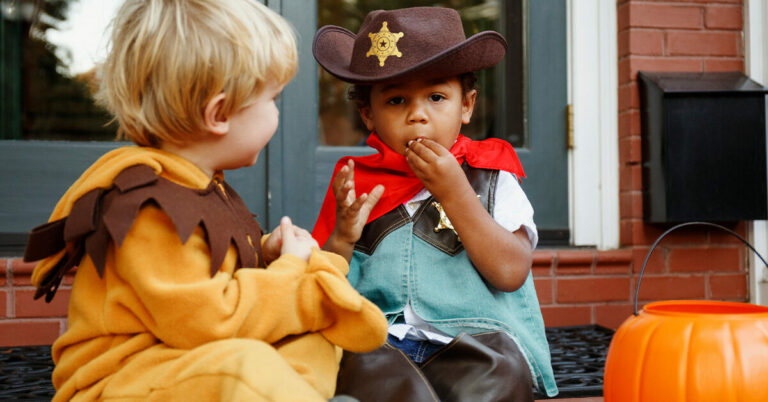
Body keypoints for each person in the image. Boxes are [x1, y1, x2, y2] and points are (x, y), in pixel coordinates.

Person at [22, 1, 388, 400]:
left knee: (314, 337)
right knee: (247, 367)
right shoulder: (148, 209)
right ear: (219, 114)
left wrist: (265, 252)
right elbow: (211, 320)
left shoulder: (197, 184)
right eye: (273, 100)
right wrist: (288, 271)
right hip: (125, 381)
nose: (277, 114)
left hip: (182, 361)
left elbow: (205, 277)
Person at [312, 7, 558, 401]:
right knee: (362, 377)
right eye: (396, 101)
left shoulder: (490, 176)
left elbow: (511, 271)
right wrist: (343, 236)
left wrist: (456, 192)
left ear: (467, 105)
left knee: (500, 378)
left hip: (476, 341)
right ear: (367, 114)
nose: (418, 115)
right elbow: (325, 280)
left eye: (437, 96)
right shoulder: (355, 184)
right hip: (382, 341)